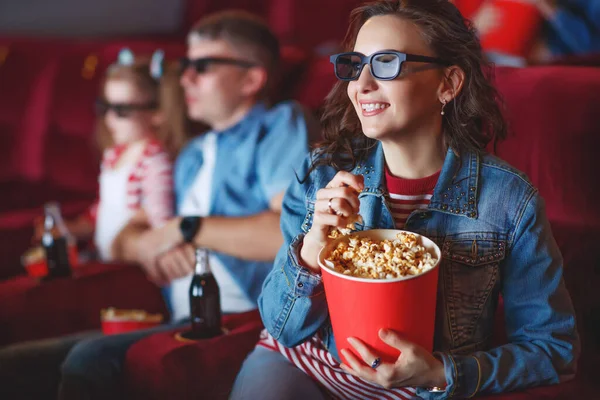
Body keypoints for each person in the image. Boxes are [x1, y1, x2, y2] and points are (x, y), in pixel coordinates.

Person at [232, 1, 580, 399]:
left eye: (386, 64)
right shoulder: (321, 174)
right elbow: (283, 327)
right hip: (304, 367)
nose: (361, 85)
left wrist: (440, 373)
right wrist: (312, 249)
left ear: (447, 83)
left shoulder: (509, 202)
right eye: (355, 65)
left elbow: (553, 350)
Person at [56, 10, 313, 400]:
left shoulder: (279, 125)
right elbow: (138, 229)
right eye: (186, 65)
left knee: (87, 361)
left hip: (244, 316)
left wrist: (186, 228)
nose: (185, 78)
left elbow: (292, 235)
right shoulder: (191, 154)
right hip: (180, 314)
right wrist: (142, 244)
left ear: (252, 78)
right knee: (23, 362)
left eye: (203, 66)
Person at [33, 48, 186, 262]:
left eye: (122, 110)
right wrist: (73, 229)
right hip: (104, 256)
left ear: (157, 113)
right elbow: (103, 210)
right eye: (105, 107)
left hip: (130, 265)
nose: (110, 119)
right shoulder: (114, 154)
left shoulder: (153, 161)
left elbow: (162, 226)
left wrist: (147, 220)